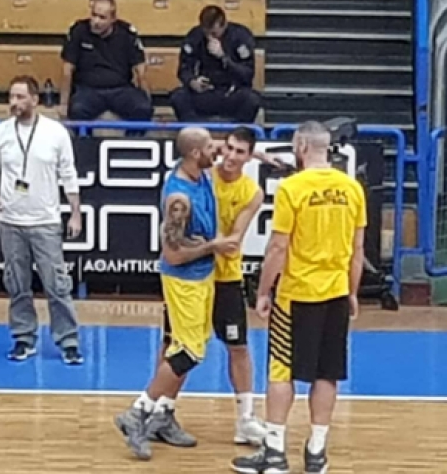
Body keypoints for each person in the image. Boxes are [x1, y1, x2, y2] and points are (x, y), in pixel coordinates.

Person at [232, 121, 367, 474]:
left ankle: (275, 452)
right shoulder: (352, 188)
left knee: (281, 370)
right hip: (336, 293)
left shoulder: (292, 188)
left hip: (296, 295)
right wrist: (352, 292)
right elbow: (358, 251)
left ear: (302, 146)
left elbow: (278, 247)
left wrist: (263, 291)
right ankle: (317, 452)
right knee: (327, 373)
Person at [115, 127, 241, 461]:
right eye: (211, 147)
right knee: (187, 353)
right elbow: (172, 255)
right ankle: (137, 413)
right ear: (195, 153)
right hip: (185, 282)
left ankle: (162, 415)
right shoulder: (179, 199)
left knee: (185, 348)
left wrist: (259, 154)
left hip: (202, 278)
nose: (218, 151)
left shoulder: (199, 173)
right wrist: (214, 246)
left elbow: (221, 152)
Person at [148, 127, 268, 448]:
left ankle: (245, 419)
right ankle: (161, 412)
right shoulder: (201, 175)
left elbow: (233, 241)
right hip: (190, 277)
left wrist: (211, 244)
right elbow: (195, 144)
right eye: (227, 148)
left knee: (237, 346)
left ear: (248, 157)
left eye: (240, 152)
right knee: (176, 345)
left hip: (225, 276)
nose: (230, 156)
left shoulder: (251, 192)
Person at [0, 75, 84, 365]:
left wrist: (75, 212)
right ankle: (23, 337)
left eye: (20, 97)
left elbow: (68, 173)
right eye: (11, 97)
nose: (14, 102)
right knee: (17, 284)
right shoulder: (0, 133)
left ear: (35, 100)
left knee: (57, 285)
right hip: (10, 221)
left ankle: (68, 340)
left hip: (45, 221)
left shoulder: (56, 133)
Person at [59, 0, 154, 128]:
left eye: (102, 17)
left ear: (113, 19)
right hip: (88, 90)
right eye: (94, 15)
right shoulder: (79, 30)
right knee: (77, 110)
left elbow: (141, 72)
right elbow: (67, 70)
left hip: (121, 89)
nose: (96, 21)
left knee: (143, 109)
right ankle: (85, 141)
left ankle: (132, 139)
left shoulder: (126, 33)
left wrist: (147, 100)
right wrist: (63, 104)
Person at [170, 5, 262, 123]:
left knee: (252, 99)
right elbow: (184, 69)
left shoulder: (240, 36)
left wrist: (223, 57)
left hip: (231, 93)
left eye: (214, 33)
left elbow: (247, 74)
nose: (210, 36)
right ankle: (194, 128)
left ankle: (237, 130)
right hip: (205, 93)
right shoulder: (195, 36)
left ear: (224, 25)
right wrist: (192, 81)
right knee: (178, 97)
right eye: (206, 32)